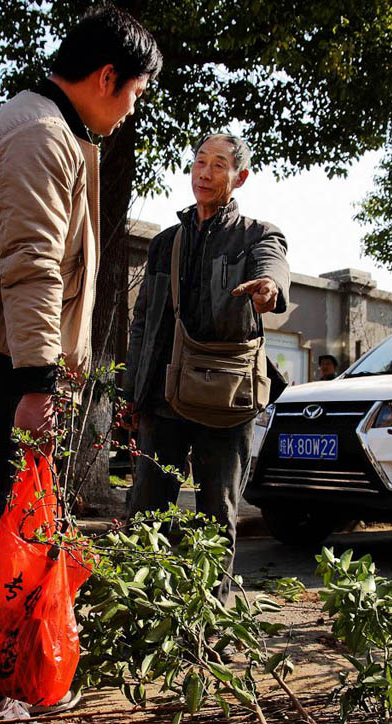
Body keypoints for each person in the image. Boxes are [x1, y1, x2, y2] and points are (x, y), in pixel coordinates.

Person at [0, 7, 161, 722]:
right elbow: (31, 270)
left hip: (2, 357)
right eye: (134, 95)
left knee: (8, 520)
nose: (129, 111)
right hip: (1, 363)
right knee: (2, 526)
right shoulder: (38, 136)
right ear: (105, 77)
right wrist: (35, 384)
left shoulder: (47, 126)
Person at [123, 133, 290, 604]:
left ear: (240, 177)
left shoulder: (258, 234)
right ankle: (142, 614)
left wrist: (268, 289)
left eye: (219, 164)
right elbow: (143, 320)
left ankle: (209, 621)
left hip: (227, 399)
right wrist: (132, 390)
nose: (206, 172)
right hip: (163, 396)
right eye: (200, 161)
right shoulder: (165, 244)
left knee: (217, 514)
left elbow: (272, 266)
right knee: (147, 514)